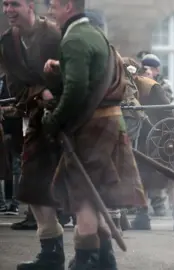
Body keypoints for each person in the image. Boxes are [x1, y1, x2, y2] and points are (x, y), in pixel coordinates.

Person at [45, 1, 147, 268]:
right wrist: (61, 71)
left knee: (84, 199)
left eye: (53, 6)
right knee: (95, 195)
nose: (50, 13)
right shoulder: (95, 33)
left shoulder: (75, 39)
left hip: (91, 129)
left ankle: (85, 260)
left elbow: (77, 90)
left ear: (68, 6)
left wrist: (54, 120)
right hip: (108, 125)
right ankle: (104, 259)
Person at [0, 0, 67, 268]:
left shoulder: (54, 34)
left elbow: (73, 75)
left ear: (30, 5)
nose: (8, 11)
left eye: (14, 4)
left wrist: (56, 96)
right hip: (37, 120)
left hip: (69, 119)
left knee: (82, 188)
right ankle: (51, 252)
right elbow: (14, 85)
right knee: (33, 185)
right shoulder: (7, 41)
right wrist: (39, 94)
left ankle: (95, 253)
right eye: (4, 5)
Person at [123, 57, 174, 231]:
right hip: (140, 141)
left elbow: (168, 113)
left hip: (161, 139)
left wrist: (170, 135)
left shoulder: (151, 87)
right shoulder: (120, 89)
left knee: (171, 176)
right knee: (140, 178)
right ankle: (142, 217)